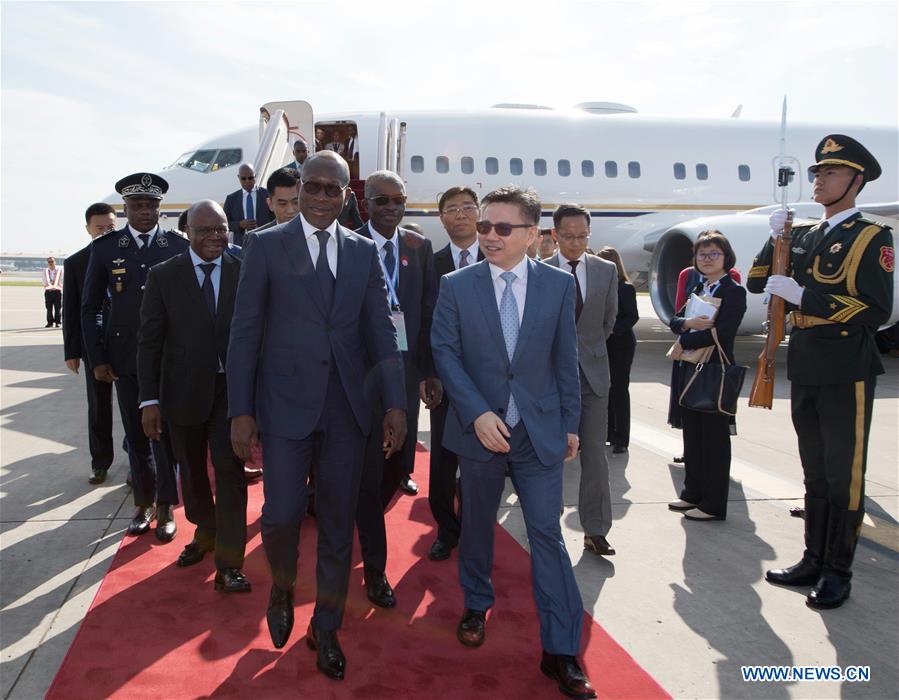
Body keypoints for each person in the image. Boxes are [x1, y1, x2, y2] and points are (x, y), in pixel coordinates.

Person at [226, 151, 407, 676]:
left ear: (346, 198)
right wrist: (241, 409)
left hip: (348, 410)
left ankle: (325, 627)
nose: (324, 197)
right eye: (315, 187)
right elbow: (245, 333)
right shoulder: (264, 246)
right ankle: (282, 587)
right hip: (283, 409)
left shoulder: (361, 251)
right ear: (299, 189)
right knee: (281, 517)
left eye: (334, 190)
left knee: (336, 525)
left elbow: (381, 331)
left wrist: (394, 403)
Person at [431, 186, 596, 700]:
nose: (490, 236)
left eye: (503, 228)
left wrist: (570, 423)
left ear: (531, 234)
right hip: (479, 432)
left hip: (539, 432)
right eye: (484, 226)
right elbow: (445, 352)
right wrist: (477, 411)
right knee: (477, 526)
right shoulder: (456, 285)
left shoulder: (557, 287)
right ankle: (476, 605)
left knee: (547, 534)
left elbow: (565, 359)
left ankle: (561, 650)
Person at [752, 135, 893, 609]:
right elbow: (757, 282)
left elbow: (874, 309)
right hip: (808, 362)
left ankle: (838, 570)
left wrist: (805, 297)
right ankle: (813, 557)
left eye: (829, 173)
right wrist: (775, 240)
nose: (818, 180)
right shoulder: (807, 234)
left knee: (843, 475)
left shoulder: (872, 236)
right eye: (816, 173)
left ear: (855, 181)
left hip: (847, 364)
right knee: (814, 472)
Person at [138, 200, 250, 592]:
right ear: (186, 231)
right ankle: (205, 533)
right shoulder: (163, 276)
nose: (215, 237)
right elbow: (149, 343)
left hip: (232, 394)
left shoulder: (245, 270)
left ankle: (230, 563)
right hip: (182, 393)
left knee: (232, 472)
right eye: (204, 230)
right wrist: (148, 400)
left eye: (220, 229)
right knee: (192, 473)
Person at [81, 173, 189, 540]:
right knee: (136, 433)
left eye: (151, 205)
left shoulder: (177, 246)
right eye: (137, 205)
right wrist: (96, 357)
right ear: (124, 208)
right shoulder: (107, 248)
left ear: (161, 209)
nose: (145, 212)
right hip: (124, 359)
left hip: (168, 360)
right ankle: (142, 503)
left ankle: (165, 506)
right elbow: (90, 306)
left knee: (165, 436)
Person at [355, 170, 439, 608]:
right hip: (361, 373)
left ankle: (379, 496)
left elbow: (425, 309)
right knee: (365, 459)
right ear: (366, 202)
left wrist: (425, 370)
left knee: (398, 455)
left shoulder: (417, 246)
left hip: (404, 370)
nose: (390, 208)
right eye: (381, 200)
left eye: (398, 200)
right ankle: (371, 555)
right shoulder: (349, 242)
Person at [545, 205, 618, 556]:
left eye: (583, 236)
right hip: (549, 380)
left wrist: (585, 352)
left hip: (592, 376)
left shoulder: (605, 271)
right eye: (569, 236)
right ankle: (547, 526)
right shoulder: (539, 272)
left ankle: (596, 528)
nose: (576, 242)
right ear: (555, 235)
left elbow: (608, 322)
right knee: (550, 454)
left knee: (595, 456)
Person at [667, 231, 747, 522]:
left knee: (714, 441)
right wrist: (687, 324)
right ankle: (692, 493)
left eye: (714, 254)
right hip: (691, 368)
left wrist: (685, 342)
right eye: (702, 254)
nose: (707, 259)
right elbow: (676, 322)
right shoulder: (699, 287)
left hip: (714, 371)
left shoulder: (733, 291)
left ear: (727, 258)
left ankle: (713, 504)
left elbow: (724, 333)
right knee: (693, 436)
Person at [427, 186, 483, 562]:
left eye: (467, 207)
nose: (460, 214)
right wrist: (427, 374)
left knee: (483, 464)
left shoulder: (500, 257)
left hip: (491, 380)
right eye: (452, 209)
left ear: (479, 213)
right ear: (442, 218)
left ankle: (477, 530)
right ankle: (447, 528)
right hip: (444, 382)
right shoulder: (431, 264)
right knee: (443, 462)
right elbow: (421, 325)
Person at [63, 203, 117, 484]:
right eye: (100, 228)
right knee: (99, 407)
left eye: (111, 227)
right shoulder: (76, 262)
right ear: (88, 229)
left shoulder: (128, 254)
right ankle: (100, 461)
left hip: (126, 343)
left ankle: (137, 457)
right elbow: (71, 310)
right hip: (94, 346)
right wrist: (71, 351)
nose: (106, 232)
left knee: (137, 406)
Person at [597, 246, 639, 454]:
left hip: (620, 343)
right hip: (602, 343)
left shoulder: (625, 288)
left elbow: (632, 317)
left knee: (619, 389)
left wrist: (613, 329)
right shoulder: (597, 287)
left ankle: (622, 438)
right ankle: (609, 432)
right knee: (604, 389)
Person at [223, 164, 273, 246]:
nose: (247, 181)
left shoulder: (267, 194)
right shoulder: (231, 199)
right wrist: (239, 224)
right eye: (243, 178)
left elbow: (276, 218)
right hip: (242, 244)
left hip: (266, 241)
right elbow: (225, 223)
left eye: (250, 178)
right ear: (238, 177)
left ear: (255, 176)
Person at [43, 257, 63, 327]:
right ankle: (50, 323)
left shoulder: (60, 270)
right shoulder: (45, 271)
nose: (51, 263)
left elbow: (62, 280)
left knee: (58, 308)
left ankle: (58, 322)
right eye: (49, 262)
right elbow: (44, 281)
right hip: (48, 292)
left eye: (52, 261)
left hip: (57, 292)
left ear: (55, 262)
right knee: (49, 308)